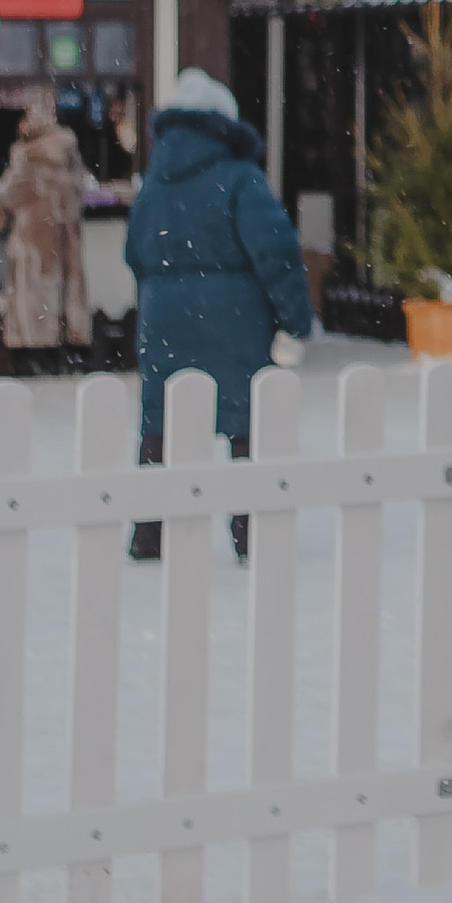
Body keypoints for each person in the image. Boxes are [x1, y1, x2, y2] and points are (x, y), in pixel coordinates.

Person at [125, 70, 315, 562]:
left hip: (163, 321)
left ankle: (150, 535)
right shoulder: (241, 179)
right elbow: (277, 254)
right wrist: (295, 320)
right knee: (245, 426)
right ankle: (251, 534)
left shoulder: (153, 184)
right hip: (236, 321)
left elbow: (134, 252)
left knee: (161, 428)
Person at [0, 87, 95, 364]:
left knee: (36, 302)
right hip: (67, 242)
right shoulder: (70, 153)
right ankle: (68, 351)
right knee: (66, 292)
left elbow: (0, 202)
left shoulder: (28, 155)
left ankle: (37, 355)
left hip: (34, 244)